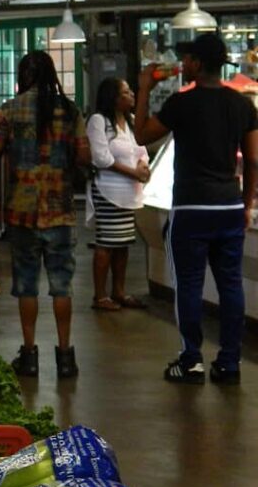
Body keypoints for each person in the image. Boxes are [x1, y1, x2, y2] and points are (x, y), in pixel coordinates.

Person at [135, 32, 258, 385]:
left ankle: (191, 361)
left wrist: (143, 87)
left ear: (199, 64)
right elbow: (252, 160)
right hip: (228, 206)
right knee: (230, 286)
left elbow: (142, 134)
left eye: (188, 59)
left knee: (188, 284)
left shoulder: (181, 103)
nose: (183, 64)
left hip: (191, 208)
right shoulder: (242, 106)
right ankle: (229, 362)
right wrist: (245, 203)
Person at [0, 51, 90, 379]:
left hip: (22, 211)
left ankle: (29, 355)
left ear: (23, 76)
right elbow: (84, 156)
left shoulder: (10, 109)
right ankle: (65, 357)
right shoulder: (70, 110)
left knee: (26, 285)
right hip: (60, 210)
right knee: (62, 286)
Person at [86, 78, 150, 312]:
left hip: (128, 193)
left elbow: (141, 149)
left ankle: (119, 291)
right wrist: (133, 173)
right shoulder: (98, 121)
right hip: (108, 191)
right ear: (114, 97)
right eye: (126, 91)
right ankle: (100, 295)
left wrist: (143, 166)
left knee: (123, 244)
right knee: (106, 243)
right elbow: (101, 158)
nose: (132, 94)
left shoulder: (132, 122)